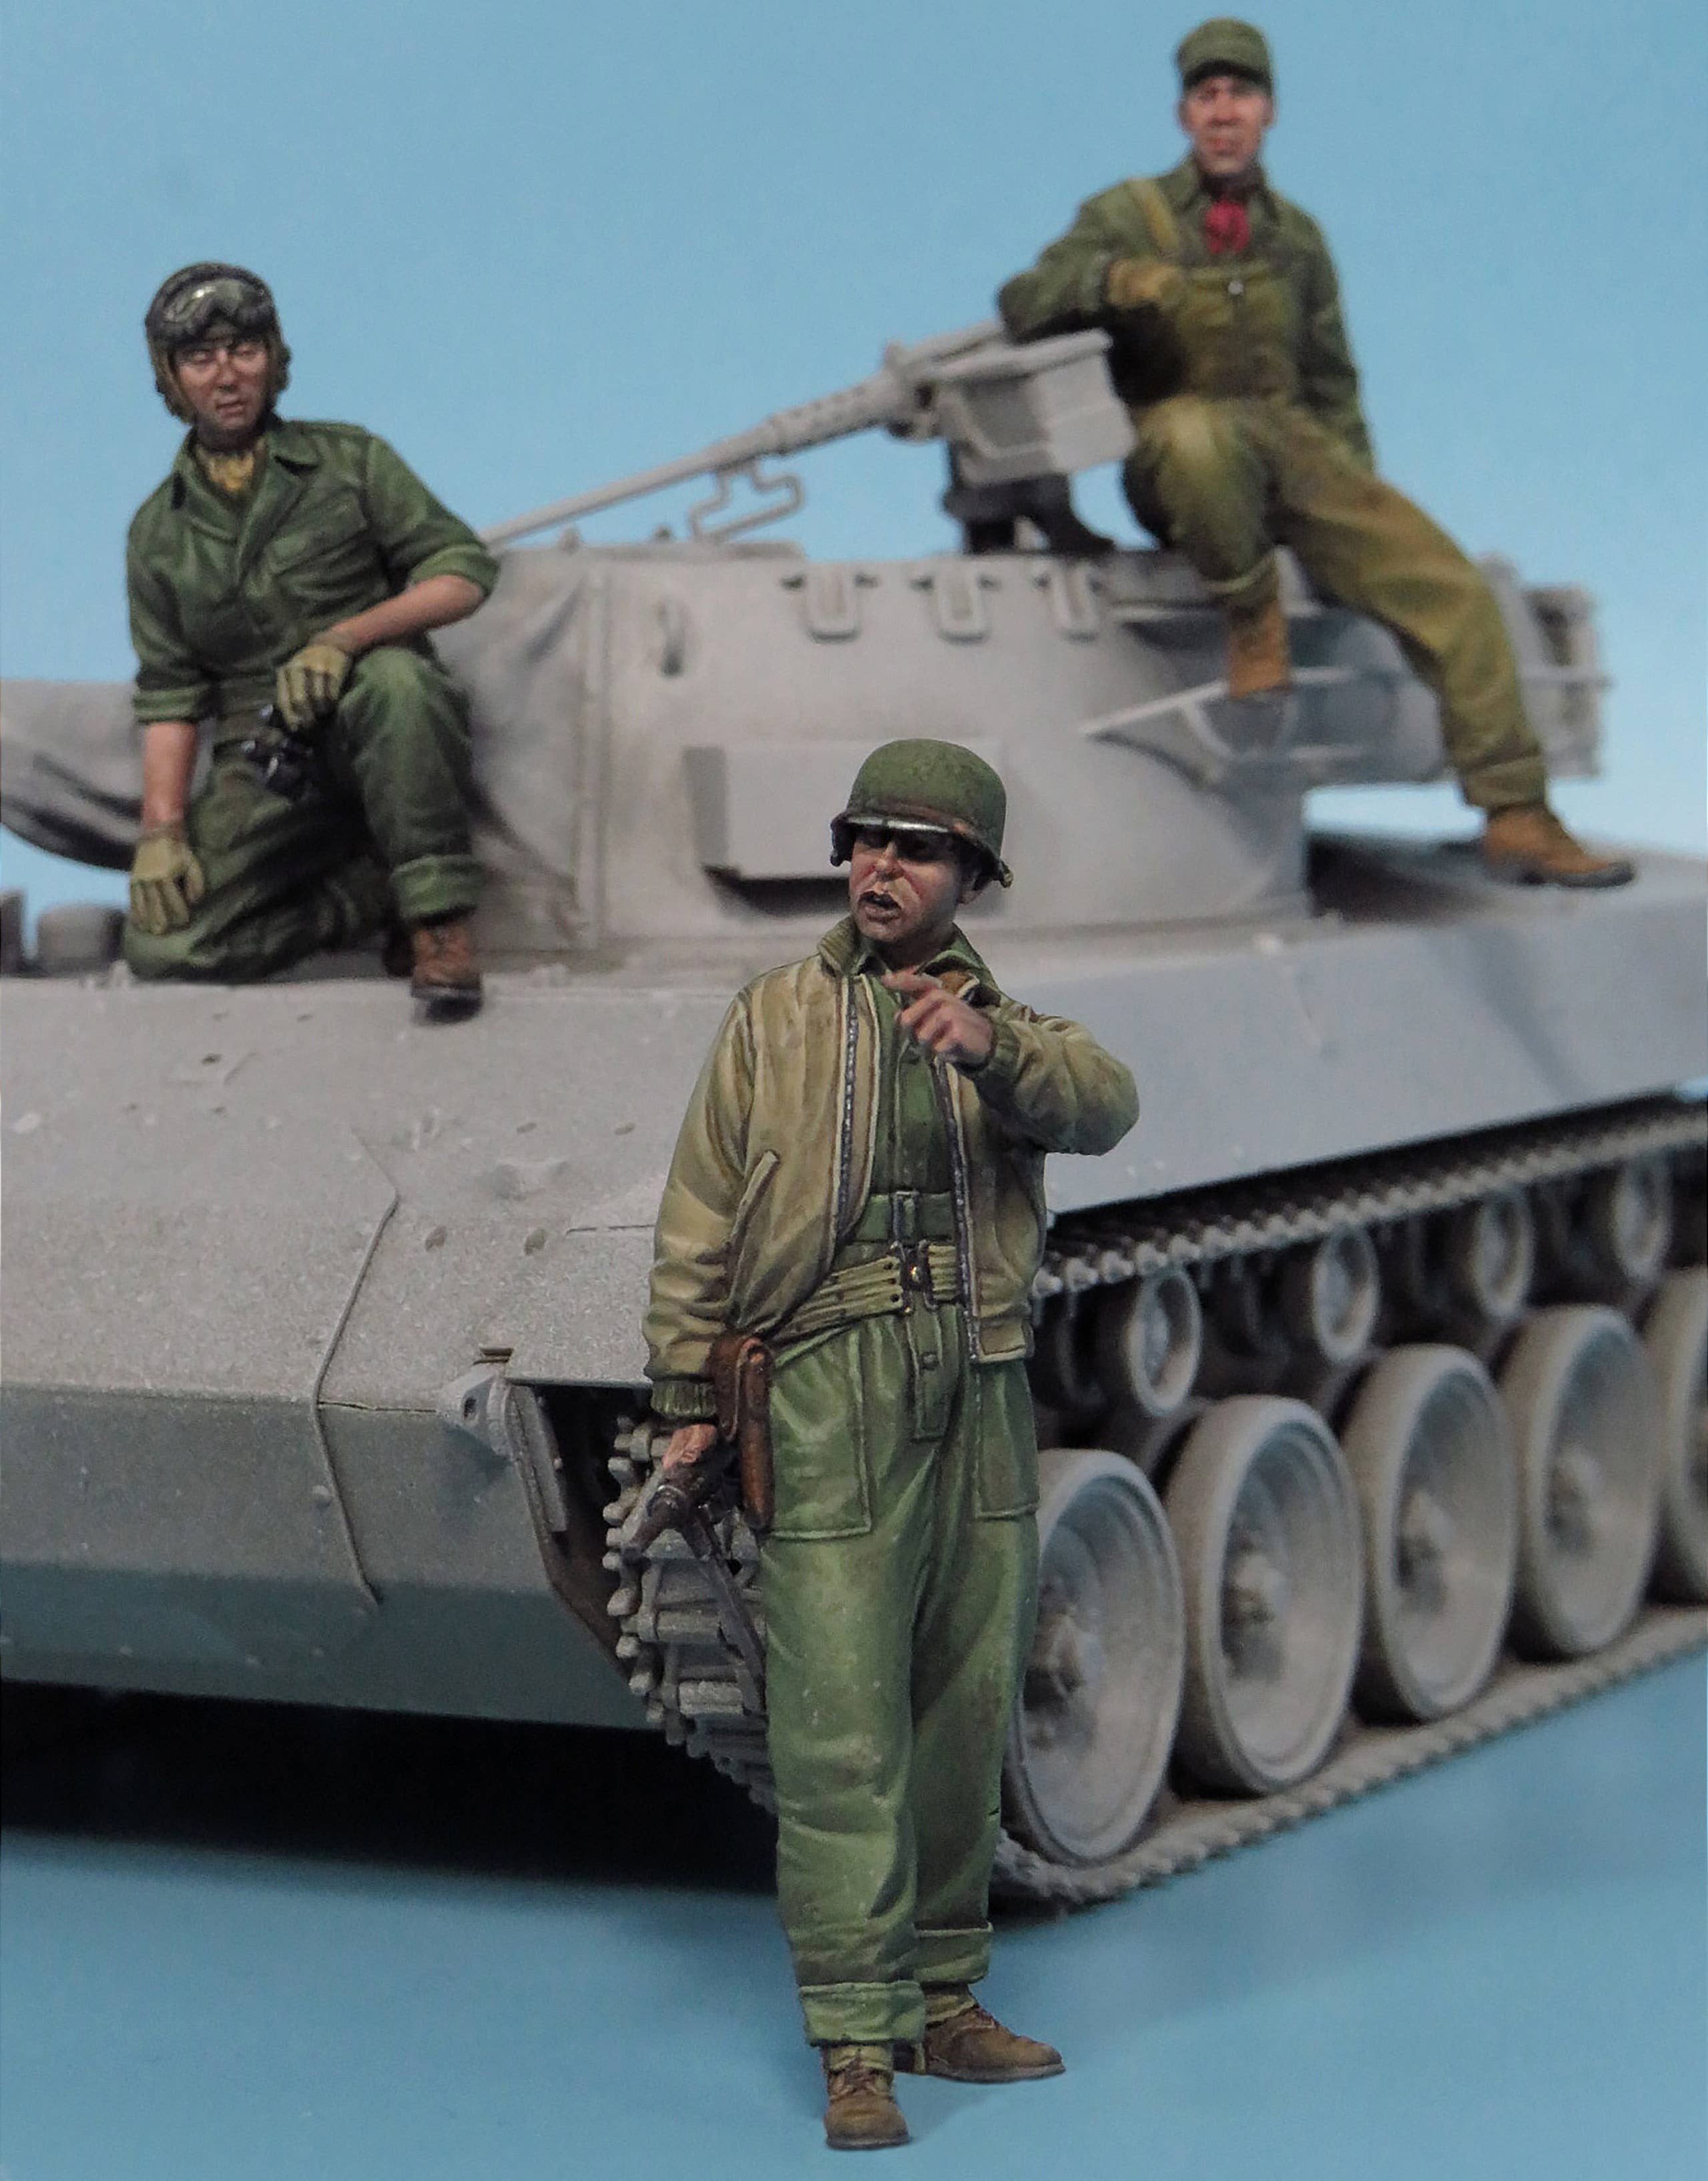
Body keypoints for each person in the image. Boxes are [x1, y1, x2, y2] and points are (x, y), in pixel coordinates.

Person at [641, 740, 1139, 2150]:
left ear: (970, 875)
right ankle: (856, 2035)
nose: (879, 866)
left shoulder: (1004, 1026)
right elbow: (698, 1217)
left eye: (916, 848)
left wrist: (993, 1049)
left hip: (975, 1379)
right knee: (839, 1715)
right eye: (865, 840)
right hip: (828, 1381)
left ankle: (942, 1992)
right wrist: (685, 1388)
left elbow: (1106, 1103)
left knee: (962, 1698)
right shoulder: (771, 1019)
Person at [998, 19, 1632, 889]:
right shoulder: (1127, 217)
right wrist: (1108, 280)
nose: (1225, 112)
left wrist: (1356, 503)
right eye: (1208, 96)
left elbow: (1330, 380)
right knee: (1194, 436)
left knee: (1451, 588)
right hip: (1176, 458)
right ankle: (1250, 615)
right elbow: (1023, 301)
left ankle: (1516, 811)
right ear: (1185, 115)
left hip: (1290, 450)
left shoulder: (1296, 238)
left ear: (1268, 112)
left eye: (1241, 95)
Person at [123, 262, 500, 1012]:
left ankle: (439, 924)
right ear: (171, 378)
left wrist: (347, 639)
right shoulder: (159, 534)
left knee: (399, 682)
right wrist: (160, 832)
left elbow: (462, 572)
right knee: (166, 945)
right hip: (266, 755)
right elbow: (170, 695)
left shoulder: (350, 463)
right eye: (200, 358)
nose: (227, 375)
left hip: (378, 722)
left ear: (275, 358)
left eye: (245, 349)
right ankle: (366, 898)